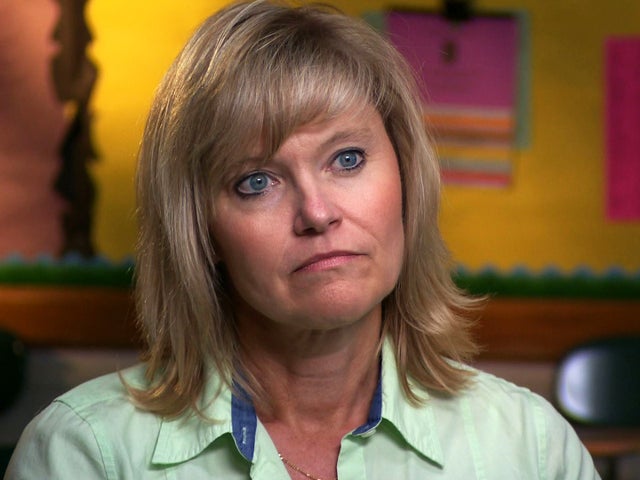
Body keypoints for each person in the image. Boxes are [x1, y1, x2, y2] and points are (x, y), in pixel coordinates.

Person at [6, 1, 600, 479]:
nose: (317, 213)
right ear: (200, 230)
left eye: (348, 158)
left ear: (405, 179)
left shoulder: (530, 447)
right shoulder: (84, 453)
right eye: (256, 182)